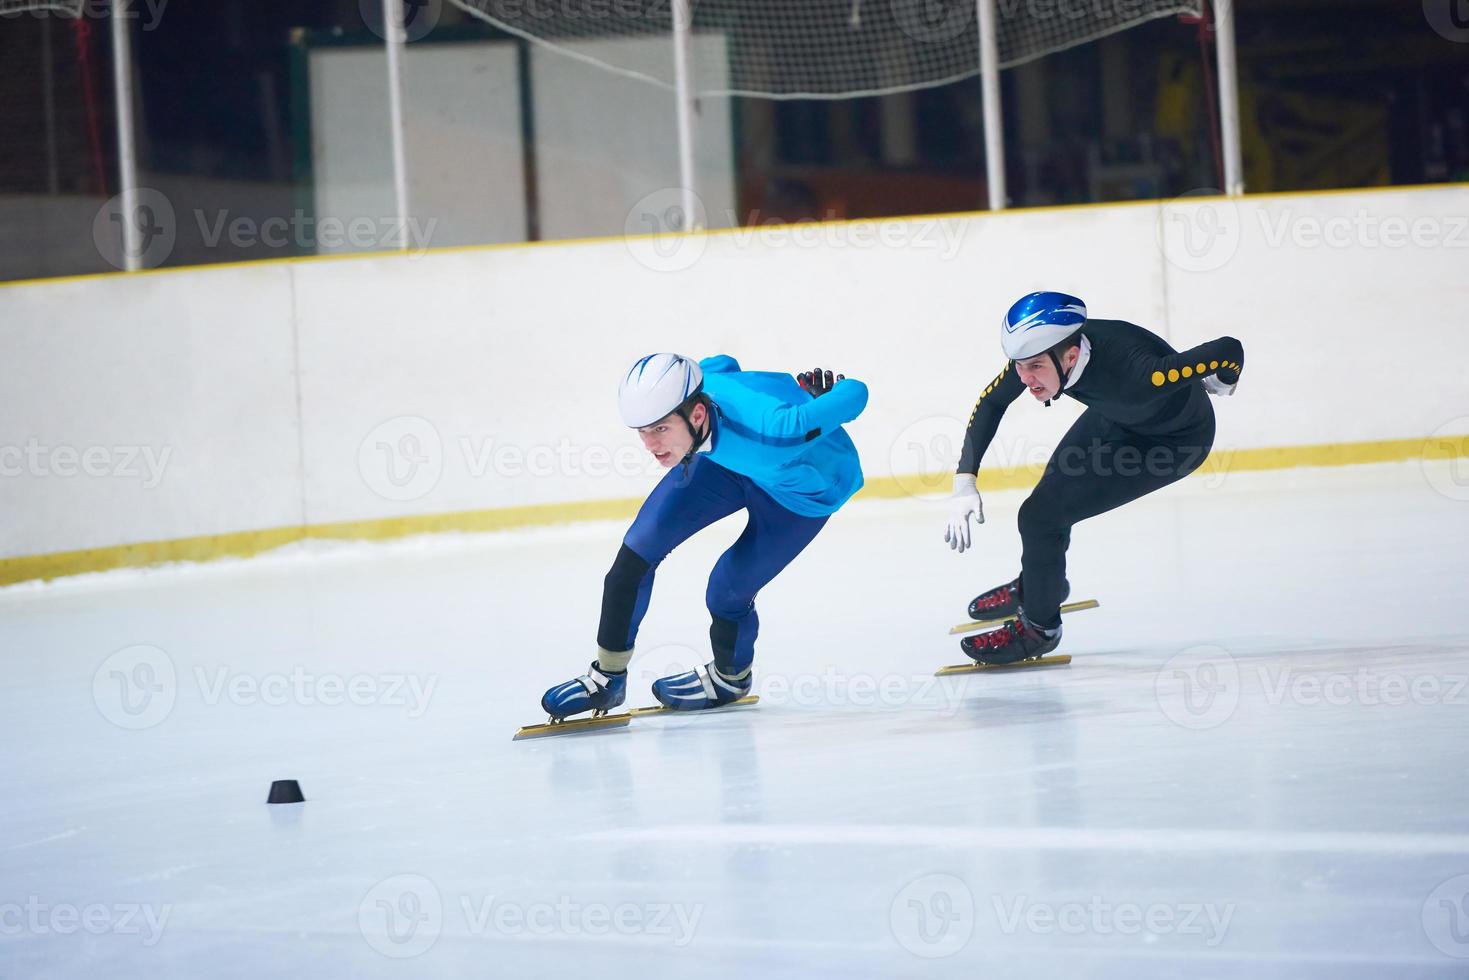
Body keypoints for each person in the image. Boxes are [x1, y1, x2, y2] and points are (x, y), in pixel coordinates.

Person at [541, 353, 868, 718]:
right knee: (633, 558)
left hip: (800, 490)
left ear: (697, 415)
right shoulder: (698, 387)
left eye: (661, 429)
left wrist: (822, 400)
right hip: (724, 462)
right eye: (643, 432)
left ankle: (730, 678)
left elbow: (857, 393)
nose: (650, 445)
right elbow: (723, 363)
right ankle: (607, 679)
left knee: (726, 590)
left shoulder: (778, 431)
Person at [945, 291, 1243, 664]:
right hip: (1117, 416)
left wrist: (1224, 382)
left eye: (1034, 367)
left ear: (1070, 356)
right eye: (1018, 365)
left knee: (1039, 516)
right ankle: (1043, 584)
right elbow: (992, 401)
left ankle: (1040, 629)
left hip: (1173, 444)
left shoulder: (1142, 375)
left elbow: (1229, 349)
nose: (1023, 378)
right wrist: (964, 481)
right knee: (1046, 505)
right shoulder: (1052, 349)